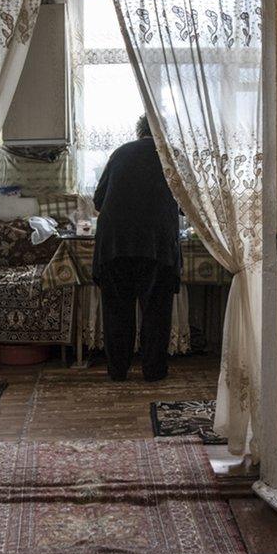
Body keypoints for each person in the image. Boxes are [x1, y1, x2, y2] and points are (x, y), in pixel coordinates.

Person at [93, 115, 181, 382]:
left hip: (115, 245)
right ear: (163, 132)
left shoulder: (120, 152)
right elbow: (187, 204)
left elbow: (98, 201)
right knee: (156, 311)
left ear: (139, 131)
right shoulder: (171, 156)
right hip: (157, 246)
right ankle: (153, 371)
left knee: (117, 311)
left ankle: (117, 370)